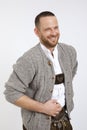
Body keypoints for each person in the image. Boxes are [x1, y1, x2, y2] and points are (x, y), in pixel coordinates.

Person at [4, 11, 78, 130]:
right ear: (37, 32)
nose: (54, 33)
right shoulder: (29, 59)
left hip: (64, 120)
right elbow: (11, 93)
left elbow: (71, 73)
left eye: (56, 27)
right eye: (48, 29)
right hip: (37, 125)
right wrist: (44, 108)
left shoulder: (69, 52)